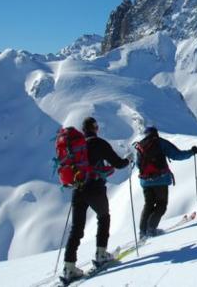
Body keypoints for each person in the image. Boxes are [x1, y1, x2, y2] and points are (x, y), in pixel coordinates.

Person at [62, 117, 132, 281]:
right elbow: (118, 163)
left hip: (78, 189)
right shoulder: (99, 143)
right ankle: (101, 254)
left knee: (76, 228)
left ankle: (69, 267)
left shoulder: (75, 148)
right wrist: (128, 159)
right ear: (95, 128)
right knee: (103, 217)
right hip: (94, 188)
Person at [135, 126, 197, 238]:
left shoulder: (140, 145)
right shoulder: (160, 143)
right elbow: (176, 155)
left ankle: (142, 232)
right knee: (161, 205)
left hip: (145, 181)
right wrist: (191, 152)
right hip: (160, 180)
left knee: (148, 205)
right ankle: (151, 229)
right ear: (156, 133)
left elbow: (137, 164)